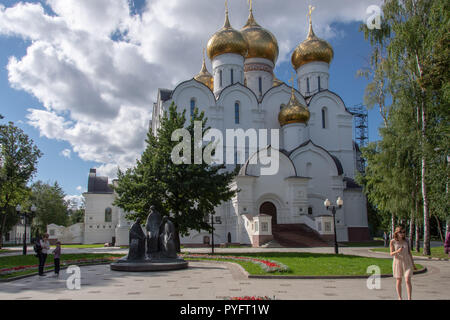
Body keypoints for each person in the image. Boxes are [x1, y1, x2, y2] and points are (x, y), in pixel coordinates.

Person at [390, 226, 416, 300]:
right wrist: (397, 251)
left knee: (407, 279)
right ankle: (400, 297)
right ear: (397, 232)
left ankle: (409, 298)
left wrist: (413, 264)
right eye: (401, 232)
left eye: (404, 232)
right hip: (398, 262)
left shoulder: (407, 240)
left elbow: (409, 253)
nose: (402, 234)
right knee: (399, 280)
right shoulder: (393, 241)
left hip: (407, 262)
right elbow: (391, 253)